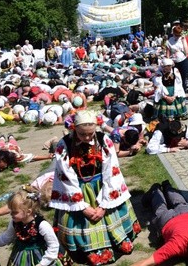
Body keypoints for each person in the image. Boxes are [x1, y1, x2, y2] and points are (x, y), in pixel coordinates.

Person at [50, 110, 140, 266]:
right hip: (76, 187)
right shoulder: (64, 145)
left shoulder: (104, 141)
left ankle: (117, 239)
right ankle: (89, 248)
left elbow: (111, 172)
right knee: (83, 219)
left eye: (90, 134)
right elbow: (66, 177)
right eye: (82, 134)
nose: (86, 138)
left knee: (107, 213)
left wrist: (104, 205)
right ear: (73, 129)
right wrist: (82, 207)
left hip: (102, 186)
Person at [0, 186, 62, 266]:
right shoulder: (14, 223)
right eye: (11, 211)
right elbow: (7, 236)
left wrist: (42, 264)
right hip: (19, 257)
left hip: (40, 258)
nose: (11, 214)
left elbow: (53, 245)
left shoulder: (42, 225)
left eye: (15, 212)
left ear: (28, 212)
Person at [152, 58, 188, 122]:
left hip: (174, 91)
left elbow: (178, 84)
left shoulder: (175, 71)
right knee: (163, 103)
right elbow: (158, 87)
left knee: (176, 101)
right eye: (166, 67)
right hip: (163, 92)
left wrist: (174, 96)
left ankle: (177, 115)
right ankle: (164, 117)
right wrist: (166, 97)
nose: (168, 68)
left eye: (169, 66)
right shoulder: (158, 73)